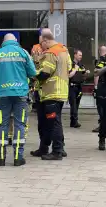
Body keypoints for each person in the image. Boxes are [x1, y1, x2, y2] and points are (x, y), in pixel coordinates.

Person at [0, 33, 36, 166]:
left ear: (4, 41)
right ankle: (17, 157)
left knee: (3, 125)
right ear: (15, 41)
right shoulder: (23, 52)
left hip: (3, 95)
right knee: (20, 124)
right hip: (20, 94)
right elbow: (32, 72)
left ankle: (1, 158)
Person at [35, 29, 71, 160]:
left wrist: (34, 74)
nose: (41, 47)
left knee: (53, 122)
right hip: (61, 92)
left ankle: (57, 151)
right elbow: (69, 68)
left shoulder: (51, 53)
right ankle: (58, 147)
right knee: (56, 121)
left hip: (51, 92)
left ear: (45, 40)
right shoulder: (64, 51)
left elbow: (45, 73)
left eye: (41, 44)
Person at [92, 46, 106, 133]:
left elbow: (96, 75)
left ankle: (103, 125)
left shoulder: (101, 60)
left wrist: (95, 87)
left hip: (102, 86)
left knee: (101, 106)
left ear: (99, 51)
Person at [68, 49, 90, 128]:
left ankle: (73, 122)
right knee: (73, 104)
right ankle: (74, 121)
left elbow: (83, 76)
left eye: (81, 55)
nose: (81, 56)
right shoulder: (70, 64)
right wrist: (75, 69)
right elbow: (69, 75)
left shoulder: (81, 65)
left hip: (79, 87)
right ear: (75, 55)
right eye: (79, 55)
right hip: (72, 87)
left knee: (76, 105)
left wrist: (86, 73)